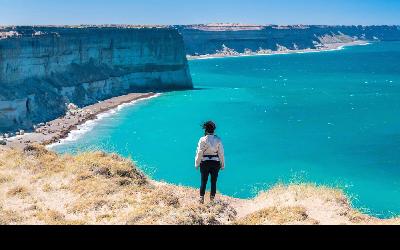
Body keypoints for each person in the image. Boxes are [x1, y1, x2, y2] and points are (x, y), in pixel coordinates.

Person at [195, 121, 225, 204]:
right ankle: (212, 199)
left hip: (205, 162)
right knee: (213, 181)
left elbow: (199, 152)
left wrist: (197, 164)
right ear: (214, 130)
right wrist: (222, 165)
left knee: (203, 181)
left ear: (205, 129)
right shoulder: (218, 139)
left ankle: (201, 198)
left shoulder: (202, 139)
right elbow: (221, 153)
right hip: (215, 163)